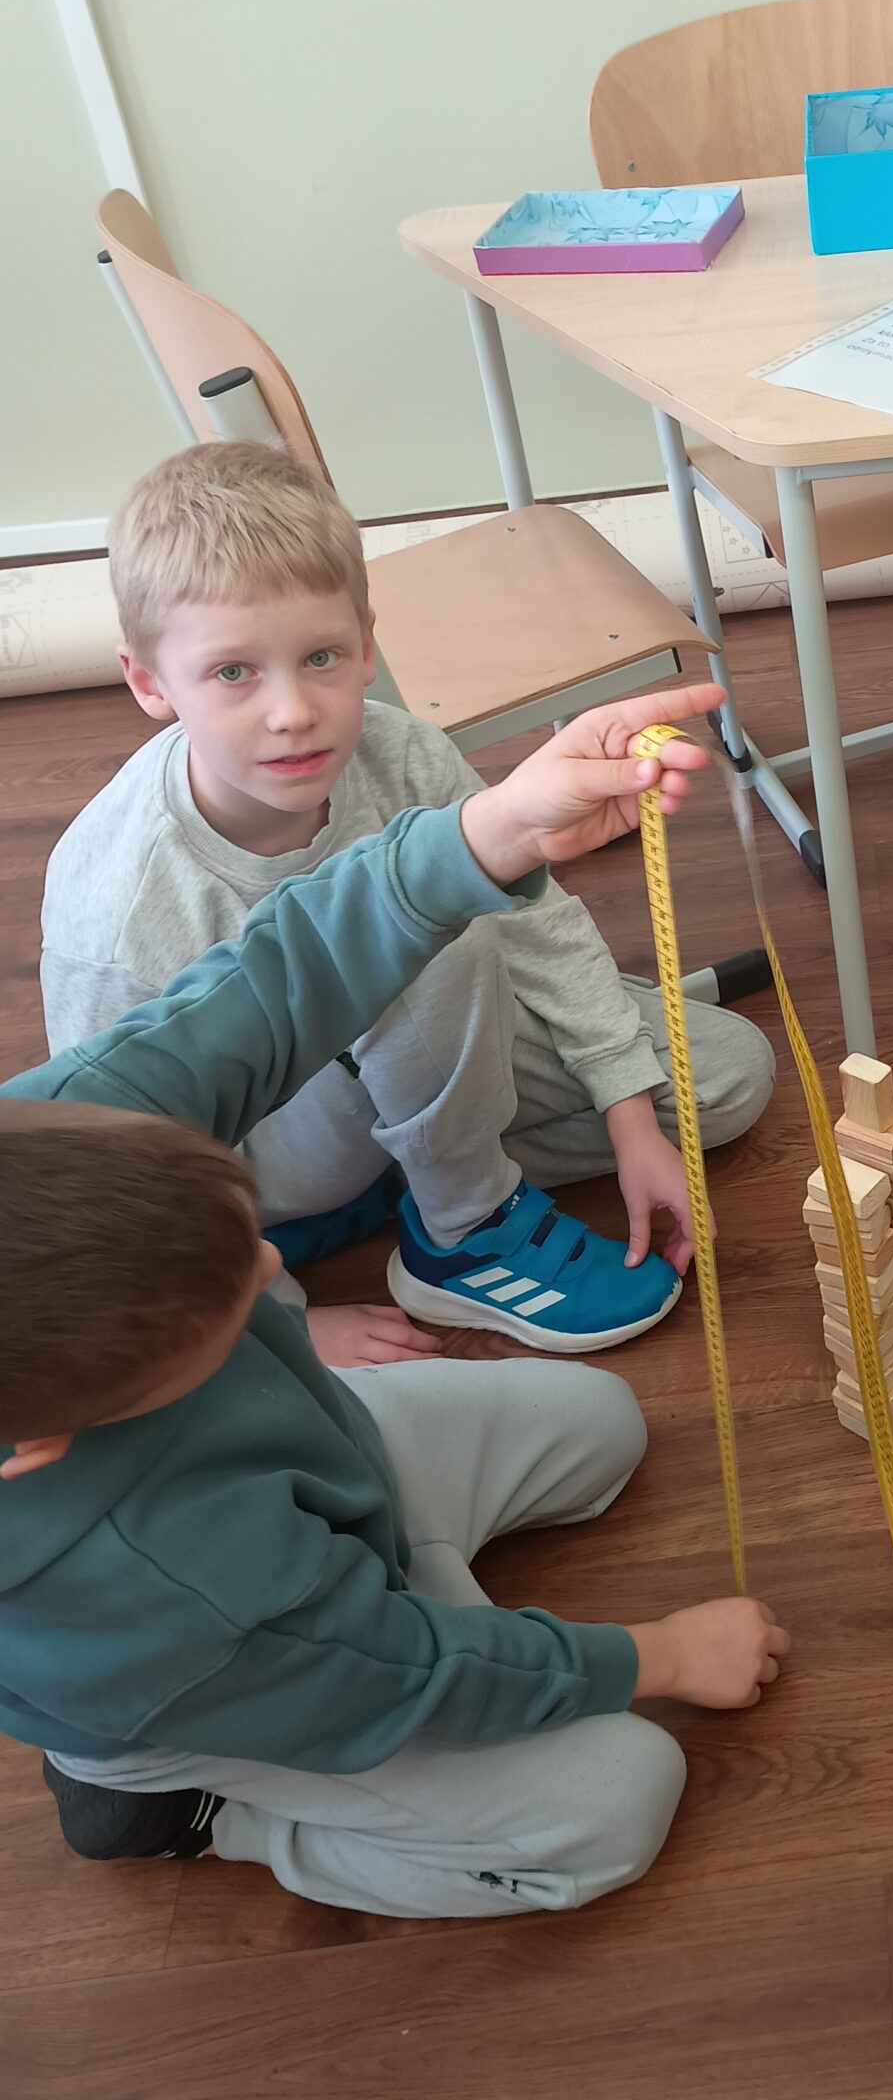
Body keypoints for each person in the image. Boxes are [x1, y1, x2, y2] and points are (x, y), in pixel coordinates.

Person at [1, 685, 790, 1919]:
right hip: (254, 1665)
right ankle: (188, 1810)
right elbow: (409, 1673)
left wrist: (494, 829)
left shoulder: (57, 1142)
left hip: (311, 1489)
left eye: (244, 1238)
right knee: (619, 1793)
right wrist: (659, 1655)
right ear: (48, 1437)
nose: (275, 1271)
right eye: (227, 1310)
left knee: (601, 1427)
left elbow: (275, 979)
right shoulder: (167, 1584)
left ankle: (390, 1554)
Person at [40, 442, 775, 1365]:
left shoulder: (402, 751)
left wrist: (631, 1117)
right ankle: (462, 1226)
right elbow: (118, 1163)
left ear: (366, 645)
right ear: (150, 682)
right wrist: (280, 1326)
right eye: (233, 673)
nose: (292, 712)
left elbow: (537, 923)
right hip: (258, 1149)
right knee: (420, 923)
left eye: (320, 656)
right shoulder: (116, 908)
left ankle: (417, 1168)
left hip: (404, 1062)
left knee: (729, 1078)